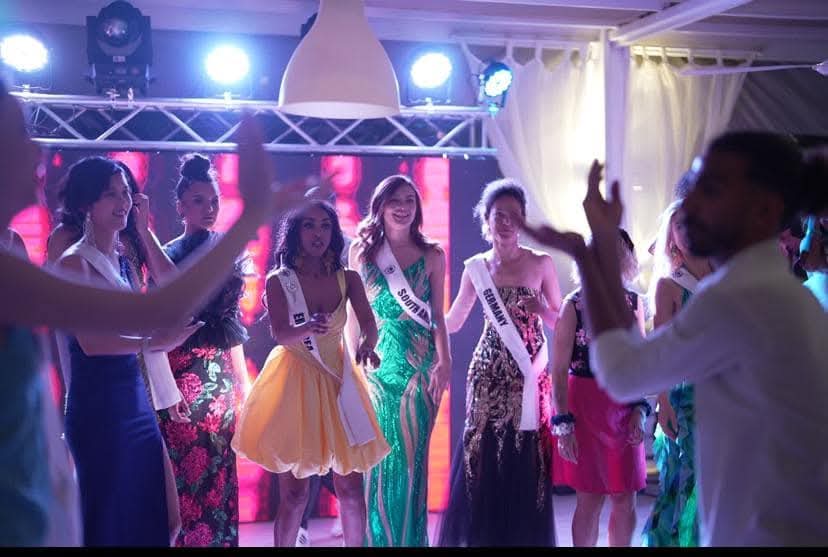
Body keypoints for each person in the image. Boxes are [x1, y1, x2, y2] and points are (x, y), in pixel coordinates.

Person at [0, 83, 305, 546]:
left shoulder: (35, 260)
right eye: (18, 135)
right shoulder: (58, 264)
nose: (37, 149)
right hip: (75, 429)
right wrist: (253, 215)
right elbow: (139, 322)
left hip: (113, 413)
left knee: (155, 518)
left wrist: (251, 216)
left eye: (126, 192)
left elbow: (161, 307)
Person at [520, 134, 828, 546]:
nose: (691, 207)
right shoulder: (776, 293)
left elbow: (624, 373)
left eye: (711, 190)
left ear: (764, 210)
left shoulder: (740, 298)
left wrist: (593, 253)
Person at [55, 156, 202, 546]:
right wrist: (155, 343)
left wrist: (143, 229)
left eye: (126, 193)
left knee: (163, 519)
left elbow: (174, 290)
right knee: (109, 525)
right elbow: (91, 343)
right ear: (86, 203)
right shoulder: (75, 263)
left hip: (136, 401)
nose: (123, 202)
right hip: (100, 408)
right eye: (110, 194)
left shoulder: (122, 260)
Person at [232, 200, 390, 547]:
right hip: (295, 382)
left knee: (350, 489)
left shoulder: (348, 278)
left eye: (325, 226)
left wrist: (368, 345)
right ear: (295, 233)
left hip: (339, 381)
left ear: (333, 232)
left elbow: (369, 323)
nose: (318, 234)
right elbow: (279, 333)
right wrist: (307, 329)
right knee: (295, 495)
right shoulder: (280, 281)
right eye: (309, 226)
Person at [437, 179, 561, 547]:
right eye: (499, 215)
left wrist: (541, 309)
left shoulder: (541, 263)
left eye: (514, 216)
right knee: (484, 452)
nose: (506, 223)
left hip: (529, 373)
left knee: (527, 453)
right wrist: (417, 319)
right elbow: (454, 320)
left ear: (523, 220)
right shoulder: (476, 268)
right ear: (486, 219)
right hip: (487, 374)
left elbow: (562, 321)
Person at [348, 175, 451, 547]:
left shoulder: (433, 254)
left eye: (410, 200)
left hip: (419, 372)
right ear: (380, 205)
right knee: (377, 466)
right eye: (395, 200)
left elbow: (437, 315)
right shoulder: (361, 252)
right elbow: (352, 314)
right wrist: (351, 366)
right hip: (375, 370)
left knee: (411, 466)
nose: (403, 207)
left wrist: (445, 361)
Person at [158, 154, 249, 547]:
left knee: (222, 472)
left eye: (214, 201)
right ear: (180, 206)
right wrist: (166, 387)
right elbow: (156, 326)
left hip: (221, 378)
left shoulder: (229, 251)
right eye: (198, 201)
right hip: (180, 375)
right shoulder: (167, 256)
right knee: (186, 477)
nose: (209, 209)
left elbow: (232, 325)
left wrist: (244, 384)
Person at [551, 228, 649, 547]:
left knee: (625, 496)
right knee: (589, 498)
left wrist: (639, 411)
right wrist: (563, 425)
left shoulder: (634, 302)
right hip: (585, 408)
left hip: (624, 403)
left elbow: (641, 361)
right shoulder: (573, 305)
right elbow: (558, 370)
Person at [641, 200, 712, 547]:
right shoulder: (668, 286)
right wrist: (664, 402)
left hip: (727, 393)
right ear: (671, 236)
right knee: (687, 482)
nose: (688, 231)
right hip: (686, 399)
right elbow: (662, 350)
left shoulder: (726, 277)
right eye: (680, 225)